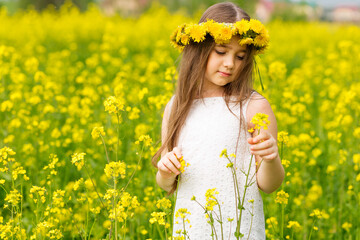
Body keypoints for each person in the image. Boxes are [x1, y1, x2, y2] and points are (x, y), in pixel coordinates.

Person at [152, 2, 285, 239]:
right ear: (198, 49)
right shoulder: (177, 106)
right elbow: (166, 184)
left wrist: (271, 158)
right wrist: (165, 171)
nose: (230, 64)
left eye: (241, 56)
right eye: (221, 52)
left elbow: (269, 184)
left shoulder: (253, 106)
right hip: (190, 229)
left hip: (239, 230)